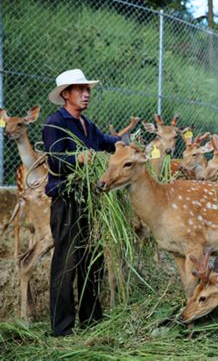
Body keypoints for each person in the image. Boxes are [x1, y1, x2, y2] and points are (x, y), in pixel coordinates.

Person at [43, 69, 120, 336]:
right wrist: (79, 159)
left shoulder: (87, 125)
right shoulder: (55, 123)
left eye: (88, 90)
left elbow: (106, 143)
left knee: (93, 260)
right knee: (67, 263)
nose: (86, 94)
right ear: (66, 94)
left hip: (90, 200)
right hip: (66, 199)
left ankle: (91, 321)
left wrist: (126, 144)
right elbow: (54, 159)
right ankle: (62, 328)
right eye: (80, 90)